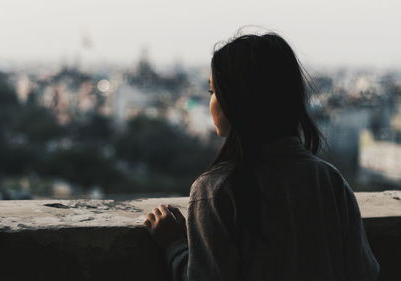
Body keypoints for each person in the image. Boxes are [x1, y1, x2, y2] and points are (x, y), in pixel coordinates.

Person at [142, 31, 380, 281]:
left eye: (214, 91)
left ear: (237, 100)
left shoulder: (216, 190)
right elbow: (364, 271)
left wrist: (175, 247)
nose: (211, 101)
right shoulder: (329, 181)